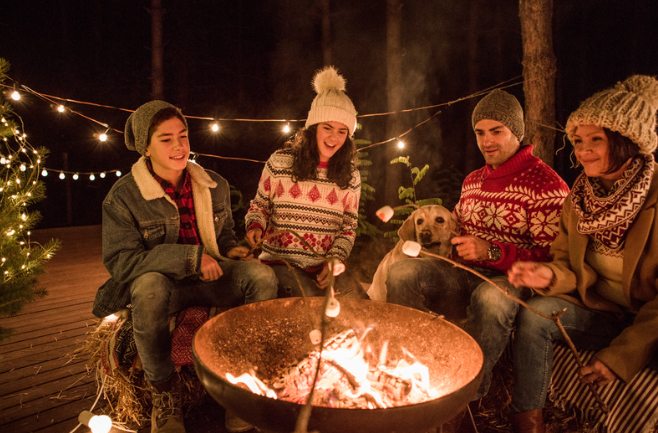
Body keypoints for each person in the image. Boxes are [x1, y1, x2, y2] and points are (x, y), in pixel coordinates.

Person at [92, 101, 278, 433]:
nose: (179, 146)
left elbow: (223, 236)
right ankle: (164, 395)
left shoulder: (213, 184)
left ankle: (242, 389)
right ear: (145, 147)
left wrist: (236, 250)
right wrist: (189, 259)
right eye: (166, 139)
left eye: (183, 135)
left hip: (211, 276)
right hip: (164, 288)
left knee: (262, 276)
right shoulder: (123, 197)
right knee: (148, 287)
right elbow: (122, 263)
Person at [385, 89, 569, 399]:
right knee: (402, 273)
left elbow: (553, 256)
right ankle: (410, 369)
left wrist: (494, 251)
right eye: (480, 132)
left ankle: (463, 396)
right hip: (464, 274)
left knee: (492, 299)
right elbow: (455, 228)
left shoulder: (545, 184)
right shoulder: (472, 181)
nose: (487, 141)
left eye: (497, 131)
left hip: (511, 280)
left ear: (517, 132)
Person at [505, 75, 658, 433]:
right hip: (602, 312)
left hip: (649, 321)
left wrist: (618, 359)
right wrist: (549, 276)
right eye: (577, 140)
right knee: (537, 314)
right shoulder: (579, 201)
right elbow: (566, 263)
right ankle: (527, 419)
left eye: (596, 140)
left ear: (627, 142)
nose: (582, 149)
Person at [245, 66, 366, 299]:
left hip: (324, 268)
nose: (334, 137)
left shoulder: (351, 177)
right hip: (281, 265)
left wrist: (334, 261)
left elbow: (348, 229)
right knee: (313, 305)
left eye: (342, 131)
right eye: (327, 128)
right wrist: (256, 225)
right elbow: (259, 206)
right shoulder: (280, 162)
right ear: (313, 128)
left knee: (363, 308)